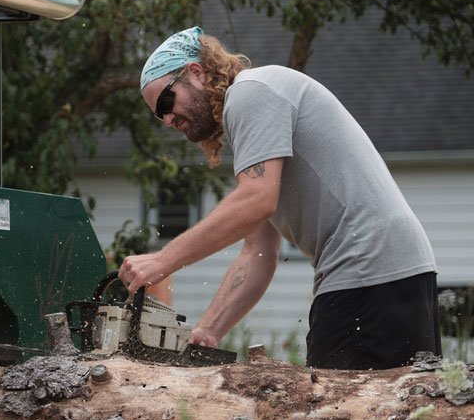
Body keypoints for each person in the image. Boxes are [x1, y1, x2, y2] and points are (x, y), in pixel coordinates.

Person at [118, 27, 441, 370]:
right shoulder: (259, 116)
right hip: (395, 273)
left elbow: (257, 199)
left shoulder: (251, 93)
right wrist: (209, 331)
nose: (169, 119)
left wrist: (162, 260)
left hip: (369, 274)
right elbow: (258, 253)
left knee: (335, 418)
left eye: (167, 102)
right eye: (159, 115)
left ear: (196, 72)